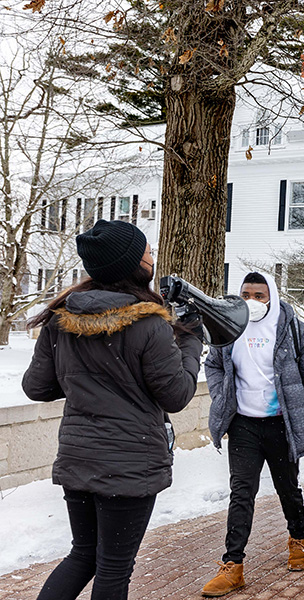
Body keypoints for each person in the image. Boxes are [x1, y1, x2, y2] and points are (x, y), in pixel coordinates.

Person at [22, 220, 202, 600]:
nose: (153, 258)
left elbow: (37, 386)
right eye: (148, 253)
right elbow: (177, 395)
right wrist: (190, 343)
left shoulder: (60, 318)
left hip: (79, 458)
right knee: (114, 569)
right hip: (129, 464)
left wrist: (82, 377)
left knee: (83, 555)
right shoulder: (150, 324)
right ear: (133, 266)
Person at [202, 272, 304, 596]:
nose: (253, 301)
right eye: (247, 294)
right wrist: (222, 396)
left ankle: (298, 538)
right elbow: (214, 365)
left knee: (287, 488)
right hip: (243, 424)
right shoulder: (229, 326)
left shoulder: (290, 327)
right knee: (241, 492)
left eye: (260, 295)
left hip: (280, 424)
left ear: (271, 296)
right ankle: (233, 566)